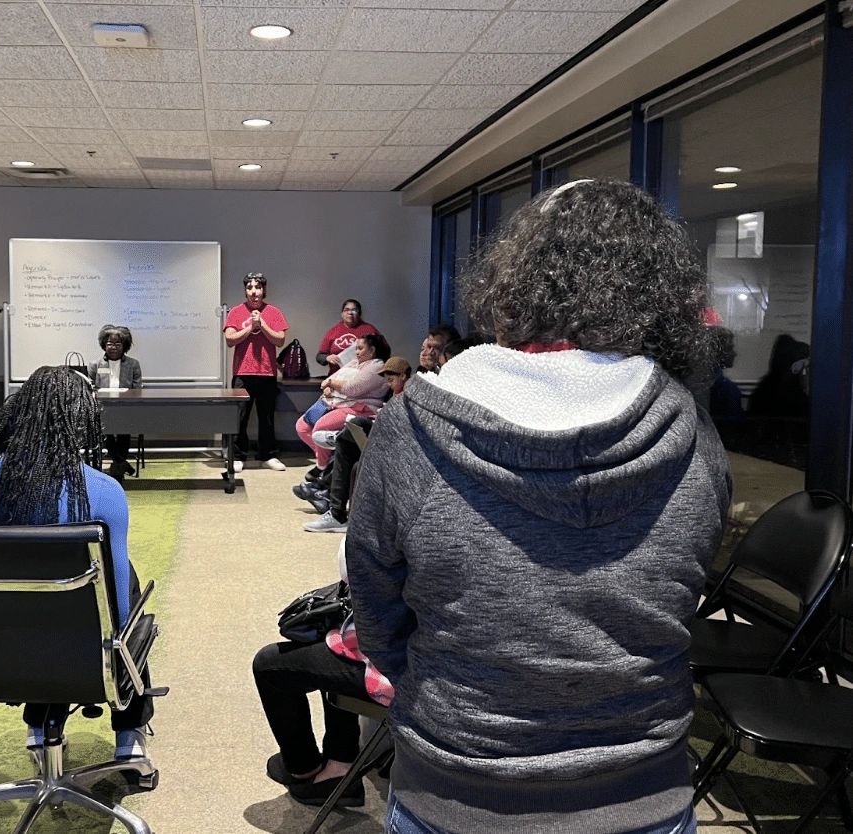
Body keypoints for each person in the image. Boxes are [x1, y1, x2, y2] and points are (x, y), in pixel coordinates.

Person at [348, 179, 731, 834]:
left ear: (513, 281)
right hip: (645, 793)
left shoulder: (412, 426)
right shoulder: (694, 433)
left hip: (454, 788)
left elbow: (377, 613)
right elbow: (684, 591)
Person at [0, 366, 155, 763]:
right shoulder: (102, 492)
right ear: (82, 423)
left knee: (27, 595)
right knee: (122, 577)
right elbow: (118, 610)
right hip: (83, 653)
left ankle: (39, 724)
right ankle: (128, 734)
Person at [253, 538, 392, 808]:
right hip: (444, 663)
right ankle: (340, 760)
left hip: (412, 671)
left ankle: (306, 767)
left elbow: (357, 566)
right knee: (334, 637)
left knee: (269, 665)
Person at [302, 356, 413, 533]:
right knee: (347, 441)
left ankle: (326, 491)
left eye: (391, 379)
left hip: (395, 443)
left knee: (355, 429)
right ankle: (332, 506)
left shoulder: (410, 395)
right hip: (383, 436)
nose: (388, 383)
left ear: (404, 376)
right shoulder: (395, 393)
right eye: (387, 379)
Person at [295, 334, 389, 475]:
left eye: (360, 348)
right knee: (302, 427)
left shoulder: (377, 366)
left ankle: (322, 467)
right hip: (334, 402)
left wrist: (331, 384)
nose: (356, 352)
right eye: (356, 348)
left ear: (372, 350)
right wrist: (328, 385)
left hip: (360, 408)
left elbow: (353, 388)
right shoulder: (354, 362)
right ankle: (331, 460)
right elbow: (328, 381)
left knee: (320, 428)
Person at [224, 272, 289, 472]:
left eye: (258, 288)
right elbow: (230, 340)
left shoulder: (274, 312)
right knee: (240, 416)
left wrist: (263, 325)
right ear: (245, 291)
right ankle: (237, 455)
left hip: (267, 373)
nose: (254, 292)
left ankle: (267, 455)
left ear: (264, 290)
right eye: (250, 288)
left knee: (266, 416)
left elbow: (279, 340)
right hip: (243, 373)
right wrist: (251, 327)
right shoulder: (235, 312)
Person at [88, 324, 143, 481]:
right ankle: (121, 464)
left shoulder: (133, 364)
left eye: (117, 344)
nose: (113, 347)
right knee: (104, 429)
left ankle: (118, 464)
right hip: (102, 408)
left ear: (124, 345)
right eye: (109, 343)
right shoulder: (95, 365)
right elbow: (90, 386)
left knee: (124, 429)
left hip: (126, 408)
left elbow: (137, 388)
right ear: (104, 345)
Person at [316, 299, 383, 372]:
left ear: (359, 314)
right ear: (342, 314)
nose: (350, 313)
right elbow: (319, 356)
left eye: (354, 310)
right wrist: (327, 358)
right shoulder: (333, 331)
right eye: (346, 310)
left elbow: (384, 351)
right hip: (336, 376)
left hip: (361, 376)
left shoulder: (370, 330)